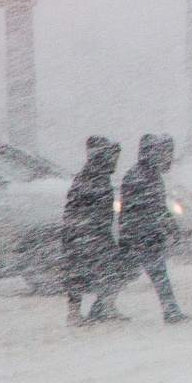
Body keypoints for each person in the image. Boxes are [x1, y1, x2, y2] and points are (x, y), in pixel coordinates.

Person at [99, 134, 190, 324]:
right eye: (165, 154)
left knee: (125, 274)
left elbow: (155, 208)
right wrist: (165, 227)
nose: (168, 160)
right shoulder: (143, 176)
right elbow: (149, 209)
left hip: (139, 236)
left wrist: (168, 226)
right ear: (153, 154)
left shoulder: (146, 174)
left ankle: (100, 309)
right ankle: (170, 312)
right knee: (151, 274)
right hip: (142, 237)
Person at [60, 137, 121, 326]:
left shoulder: (96, 177)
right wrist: (91, 231)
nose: (115, 162)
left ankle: (99, 309)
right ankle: (78, 314)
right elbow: (80, 209)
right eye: (113, 157)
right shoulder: (92, 178)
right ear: (102, 156)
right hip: (87, 234)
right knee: (83, 274)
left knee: (102, 272)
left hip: (88, 234)